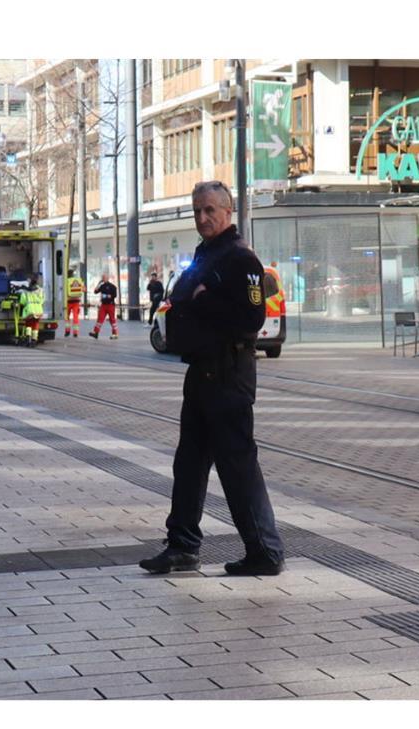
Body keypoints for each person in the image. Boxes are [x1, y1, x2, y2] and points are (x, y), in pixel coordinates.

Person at [139, 180, 284, 577]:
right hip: (201, 373)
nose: (202, 217)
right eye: (197, 210)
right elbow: (182, 298)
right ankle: (182, 546)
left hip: (228, 375)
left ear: (227, 212)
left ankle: (265, 552)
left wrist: (205, 299)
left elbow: (252, 318)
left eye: (209, 211)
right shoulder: (207, 255)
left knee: (237, 466)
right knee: (189, 464)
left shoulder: (240, 259)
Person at [89, 273, 119, 340]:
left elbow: (114, 295)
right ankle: (95, 333)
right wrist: (99, 283)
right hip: (103, 305)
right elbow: (95, 291)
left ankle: (115, 334)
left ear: (108, 278)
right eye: (102, 277)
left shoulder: (112, 286)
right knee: (100, 319)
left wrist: (107, 296)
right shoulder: (102, 286)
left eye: (104, 277)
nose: (103, 278)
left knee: (112, 320)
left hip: (110, 305)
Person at [63, 268, 84, 337]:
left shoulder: (66, 281)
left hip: (68, 302)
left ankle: (67, 331)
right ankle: (75, 332)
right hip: (76, 301)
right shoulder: (78, 280)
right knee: (75, 317)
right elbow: (84, 289)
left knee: (67, 317)